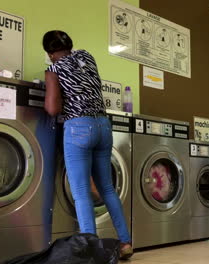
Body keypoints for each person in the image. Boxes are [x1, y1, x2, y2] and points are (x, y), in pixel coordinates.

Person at [42, 30, 133, 260]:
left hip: (79, 128)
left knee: (82, 193)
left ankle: (91, 252)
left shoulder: (54, 68)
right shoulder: (87, 56)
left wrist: (65, 101)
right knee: (108, 189)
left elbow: (52, 108)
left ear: (50, 53)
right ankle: (125, 243)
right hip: (103, 126)